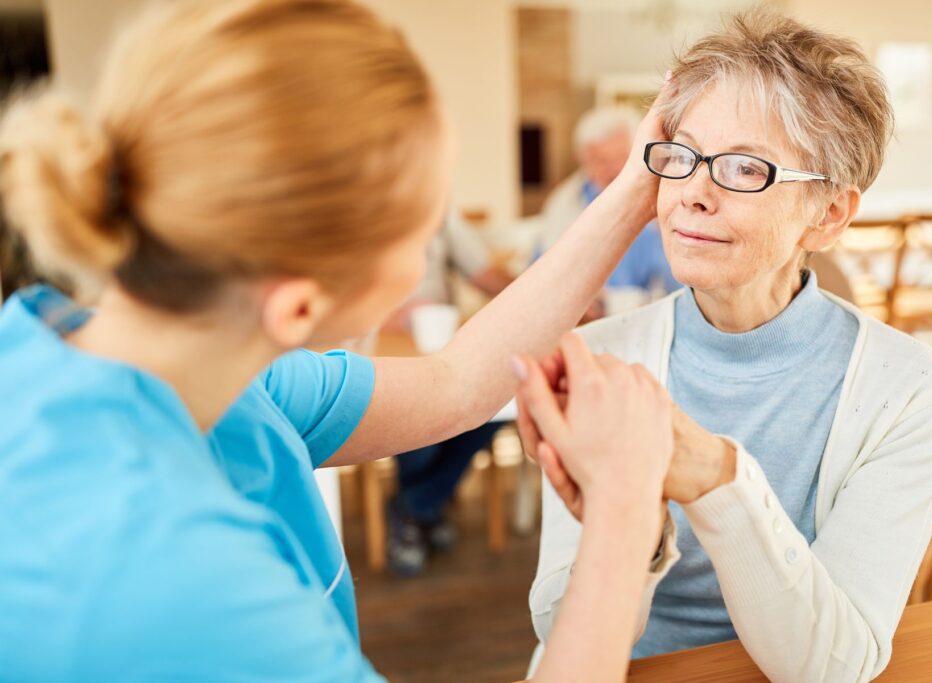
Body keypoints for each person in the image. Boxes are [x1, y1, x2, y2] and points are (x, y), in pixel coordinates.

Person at [0, 1, 676, 681]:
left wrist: (637, 186)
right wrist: (623, 508)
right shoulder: (180, 582)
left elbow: (456, 383)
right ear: (299, 305)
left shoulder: (187, 365)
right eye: (420, 234)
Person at [522, 10, 932, 683]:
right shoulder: (598, 358)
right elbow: (561, 630)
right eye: (684, 157)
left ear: (829, 213)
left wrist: (717, 477)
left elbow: (831, 664)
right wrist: (634, 521)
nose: (694, 194)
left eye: (743, 168)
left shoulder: (915, 393)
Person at [385, 211, 513, 577]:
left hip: (438, 349)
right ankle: (424, 508)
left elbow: (486, 276)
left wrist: (552, 292)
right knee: (415, 426)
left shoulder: (439, 217)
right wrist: (384, 317)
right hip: (378, 350)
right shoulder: (349, 210)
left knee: (494, 404)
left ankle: (415, 507)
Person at [533, 107, 682, 317]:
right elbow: (540, 276)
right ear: (582, 160)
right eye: (600, 161)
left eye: (621, 157)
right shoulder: (565, 202)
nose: (612, 170)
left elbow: (680, 291)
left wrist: (613, 303)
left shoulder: (665, 197)